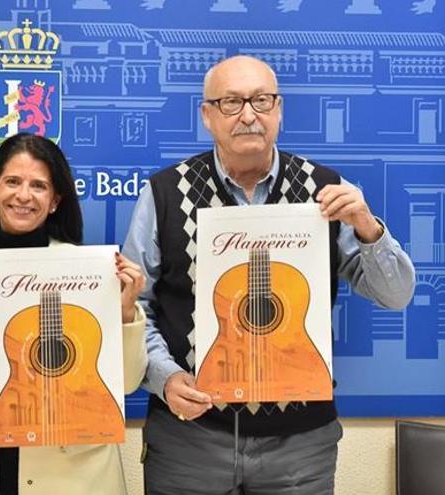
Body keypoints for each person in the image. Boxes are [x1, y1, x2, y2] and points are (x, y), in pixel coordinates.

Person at [123, 56, 416, 494]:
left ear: (279, 109)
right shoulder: (164, 192)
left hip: (299, 444)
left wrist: (367, 226)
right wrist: (165, 378)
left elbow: (396, 296)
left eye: (261, 100)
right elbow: (135, 305)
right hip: (190, 438)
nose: (248, 115)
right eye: (230, 102)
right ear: (207, 115)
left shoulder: (326, 190)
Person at [0, 133, 147, 495]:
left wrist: (125, 310)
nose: (24, 195)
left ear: (55, 201)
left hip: (77, 476)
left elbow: (128, 383)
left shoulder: (91, 273)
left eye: (38, 185)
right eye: (13, 181)